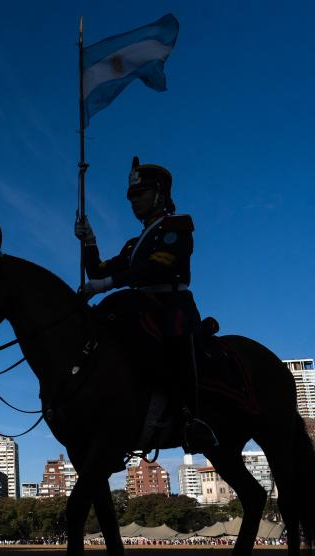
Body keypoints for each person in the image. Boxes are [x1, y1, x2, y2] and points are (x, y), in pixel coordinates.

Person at [76, 156, 217, 452]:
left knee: (175, 338)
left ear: (160, 194)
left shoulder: (177, 226)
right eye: (131, 197)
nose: (134, 201)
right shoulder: (133, 244)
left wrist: (107, 285)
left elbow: (158, 267)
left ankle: (191, 418)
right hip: (141, 303)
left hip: (171, 302)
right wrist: (89, 240)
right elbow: (98, 270)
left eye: (140, 194)